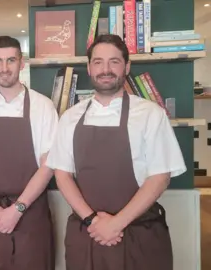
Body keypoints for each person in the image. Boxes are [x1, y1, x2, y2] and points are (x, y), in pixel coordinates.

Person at [47, 34, 186, 270]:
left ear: (127, 66)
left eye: (114, 61)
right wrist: (93, 220)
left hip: (138, 235)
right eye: (98, 62)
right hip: (88, 233)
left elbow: (160, 177)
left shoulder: (151, 115)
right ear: (89, 68)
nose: (106, 69)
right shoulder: (70, 118)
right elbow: (62, 174)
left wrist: (116, 224)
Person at [0, 35, 58, 270]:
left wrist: (17, 209)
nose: (4, 68)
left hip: (30, 212)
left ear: (21, 63)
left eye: (10, 60)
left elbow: (48, 165)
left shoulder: (43, 106)